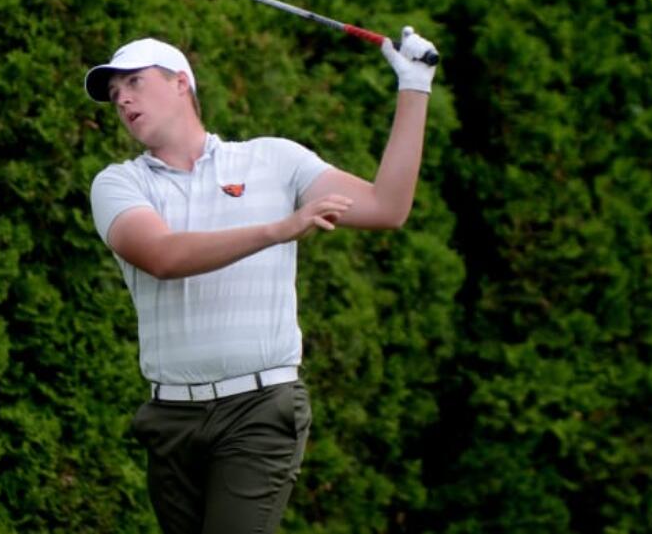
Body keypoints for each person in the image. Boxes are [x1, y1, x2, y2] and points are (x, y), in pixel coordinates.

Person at [84, 28, 436, 533]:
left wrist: (414, 88)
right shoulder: (119, 183)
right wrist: (278, 229)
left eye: (135, 83)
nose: (124, 100)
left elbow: (387, 207)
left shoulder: (274, 160)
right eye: (116, 95)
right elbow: (162, 256)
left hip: (259, 409)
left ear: (182, 83)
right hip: (171, 418)